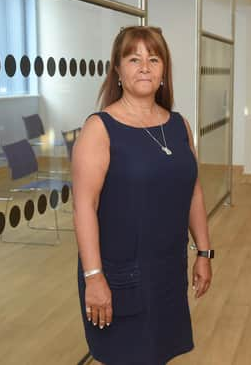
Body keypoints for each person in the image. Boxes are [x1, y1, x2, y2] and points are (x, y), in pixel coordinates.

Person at [72, 25, 213, 364]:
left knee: (159, 354)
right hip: (119, 273)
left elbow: (192, 189)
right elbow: (83, 207)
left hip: (167, 270)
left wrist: (205, 252)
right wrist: (94, 278)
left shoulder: (179, 125)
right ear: (118, 70)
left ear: (164, 70)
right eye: (133, 59)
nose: (145, 67)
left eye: (153, 58)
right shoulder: (100, 128)